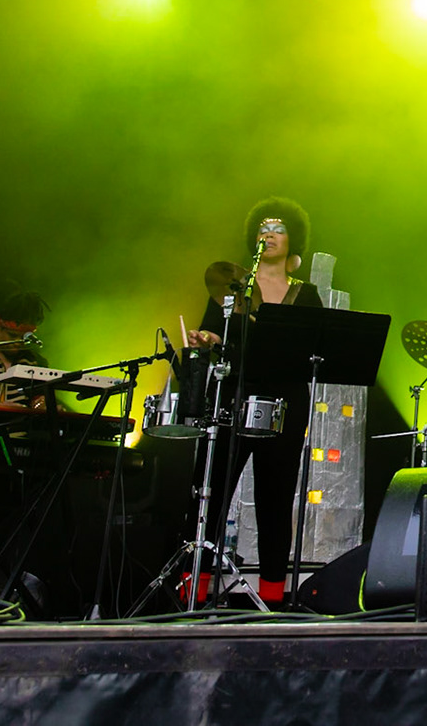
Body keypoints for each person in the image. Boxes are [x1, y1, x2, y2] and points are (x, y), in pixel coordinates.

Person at [184, 197, 322, 606]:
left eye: (279, 228)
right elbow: (210, 335)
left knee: (276, 500)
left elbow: (315, 348)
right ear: (254, 238)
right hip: (235, 394)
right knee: (210, 492)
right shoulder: (230, 288)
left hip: (286, 400)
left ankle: (273, 598)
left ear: (292, 239)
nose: (271, 233)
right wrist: (206, 339)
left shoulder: (307, 294)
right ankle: (194, 589)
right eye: (264, 227)